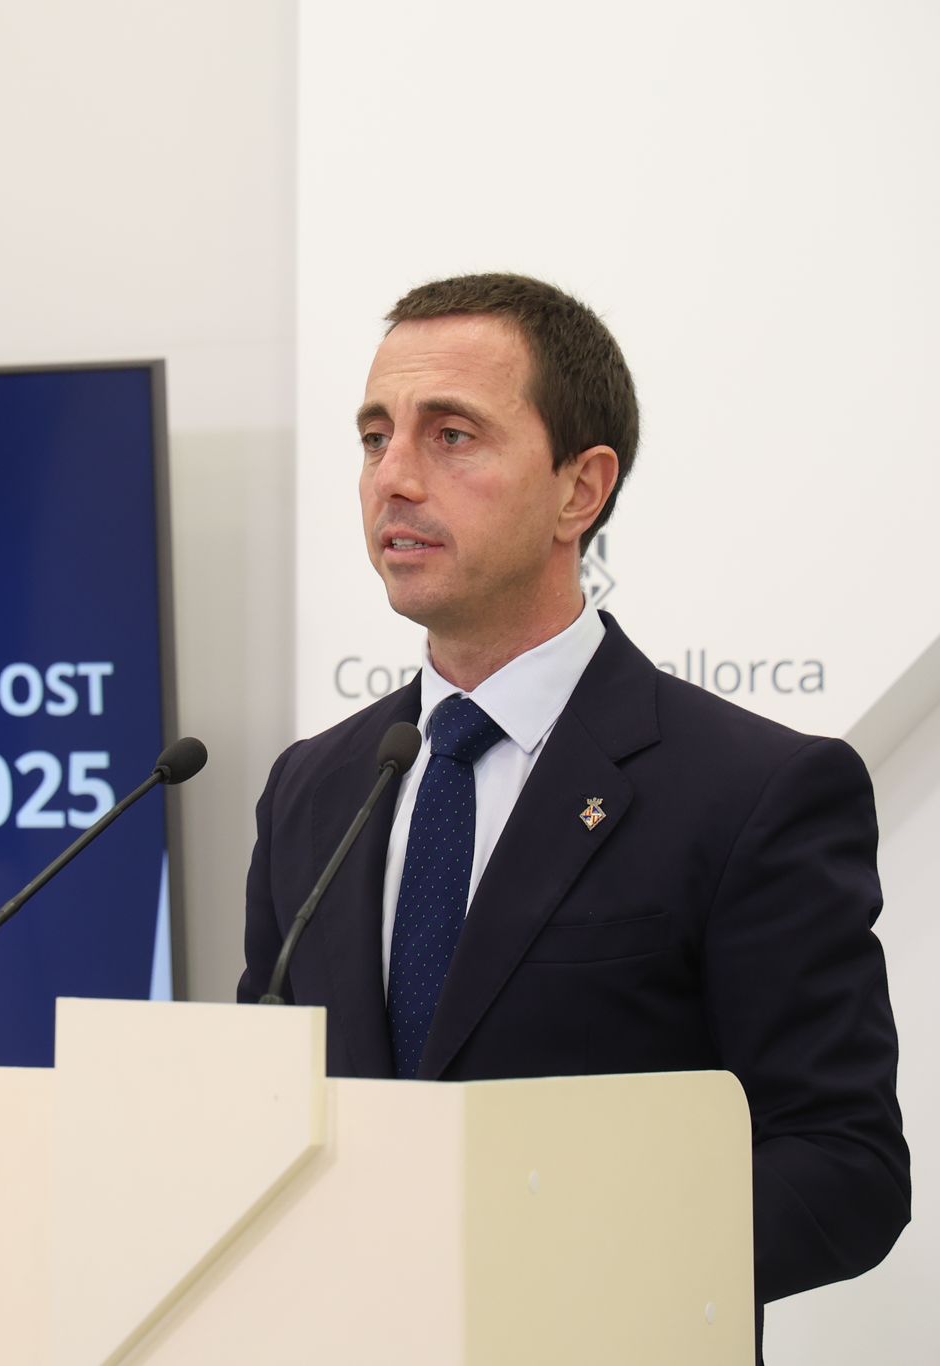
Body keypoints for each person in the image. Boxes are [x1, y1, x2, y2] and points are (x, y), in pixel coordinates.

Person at [238, 273, 909, 1333]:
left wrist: (555, 1272)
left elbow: (840, 1162)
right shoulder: (313, 791)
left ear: (577, 491)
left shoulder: (750, 791)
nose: (393, 477)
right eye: (373, 438)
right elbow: (263, 1112)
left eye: (450, 434)